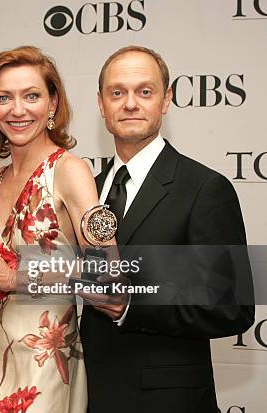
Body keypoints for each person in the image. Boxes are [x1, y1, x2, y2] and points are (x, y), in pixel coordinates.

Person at [79, 45, 254, 413]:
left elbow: (233, 308)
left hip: (167, 401)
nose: (130, 103)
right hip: (85, 394)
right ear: (100, 104)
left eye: (145, 91)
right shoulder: (86, 191)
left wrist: (131, 304)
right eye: (117, 92)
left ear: (166, 100)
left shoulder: (205, 188)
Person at [0, 46, 94, 413]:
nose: (17, 110)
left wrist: (16, 277)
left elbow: (106, 273)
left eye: (31, 96)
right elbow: (0, 270)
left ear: (52, 103)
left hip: (45, 364)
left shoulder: (68, 171)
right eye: (5, 98)